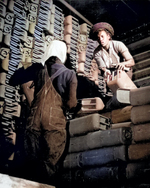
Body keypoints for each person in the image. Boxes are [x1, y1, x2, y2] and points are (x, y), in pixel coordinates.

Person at [9, 40, 78, 185]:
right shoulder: (70, 74)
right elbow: (72, 104)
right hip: (54, 122)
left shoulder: (38, 70)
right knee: (50, 165)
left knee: (32, 164)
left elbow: (15, 79)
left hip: (33, 120)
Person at [91, 22, 135, 111]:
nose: (101, 39)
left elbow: (131, 61)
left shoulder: (118, 44)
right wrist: (105, 71)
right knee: (114, 96)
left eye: (102, 36)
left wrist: (123, 64)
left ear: (108, 36)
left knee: (125, 93)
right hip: (111, 73)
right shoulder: (97, 52)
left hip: (124, 71)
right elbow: (102, 66)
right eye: (98, 38)